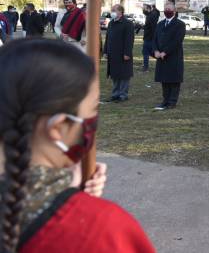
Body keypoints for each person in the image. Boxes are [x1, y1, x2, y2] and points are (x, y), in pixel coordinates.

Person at [0, 38, 155, 253]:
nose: (94, 120)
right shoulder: (101, 232)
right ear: (60, 127)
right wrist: (78, 209)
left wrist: (66, 188)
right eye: (93, 110)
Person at [153, 3, 186, 110]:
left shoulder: (180, 24)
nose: (167, 11)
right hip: (161, 57)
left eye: (169, 9)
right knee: (164, 80)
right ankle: (165, 100)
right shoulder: (160, 24)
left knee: (174, 80)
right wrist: (156, 51)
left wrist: (165, 52)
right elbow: (155, 39)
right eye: (165, 9)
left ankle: (172, 101)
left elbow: (177, 41)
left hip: (173, 56)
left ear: (174, 11)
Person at [103, 5, 135, 103]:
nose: (112, 12)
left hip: (123, 53)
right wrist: (105, 51)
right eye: (111, 10)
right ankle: (115, 94)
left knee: (124, 75)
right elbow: (108, 38)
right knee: (115, 74)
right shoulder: (111, 23)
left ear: (120, 11)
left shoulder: (127, 23)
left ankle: (123, 94)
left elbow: (129, 40)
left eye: (114, 10)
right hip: (112, 53)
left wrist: (127, 53)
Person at [142, 4, 159, 72]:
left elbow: (153, 28)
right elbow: (148, 26)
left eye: (144, 8)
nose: (143, 10)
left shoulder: (151, 16)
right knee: (146, 52)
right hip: (148, 37)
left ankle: (146, 68)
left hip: (150, 38)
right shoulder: (149, 15)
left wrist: (154, 38)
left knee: (147, 52)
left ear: (149, 9)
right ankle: (145, 66)